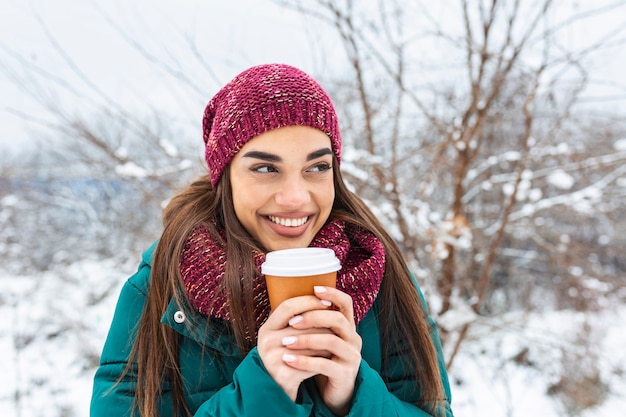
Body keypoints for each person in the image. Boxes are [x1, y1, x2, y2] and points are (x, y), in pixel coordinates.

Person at [90, 63, 454, 417]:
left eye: (317, 167)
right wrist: (262, 393)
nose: (295, 197)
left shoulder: (379, 275)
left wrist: (352, 398)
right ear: (225, 177)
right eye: (265, 168)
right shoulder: (163, 287)